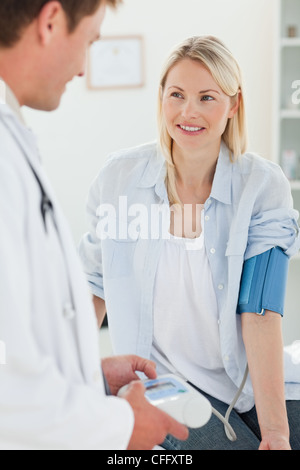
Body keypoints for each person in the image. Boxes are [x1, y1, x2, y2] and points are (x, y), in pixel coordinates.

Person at [79, 35, 300, 450]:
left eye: (206, 97)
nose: (188, 111)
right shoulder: (120, 180)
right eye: (176, 94)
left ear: (233, 105)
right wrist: (63, 388)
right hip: (162, 384)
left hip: (241, 376)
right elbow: (92, 283)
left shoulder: (262, 186)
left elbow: (261, 311)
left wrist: (275, 431)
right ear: (161, 98)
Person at [0, 0, 189, 450]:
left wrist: (90, 373)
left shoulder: (13, 135)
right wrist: (120, 427)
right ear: (50, 22)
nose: (84, 69)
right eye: (88, 41)